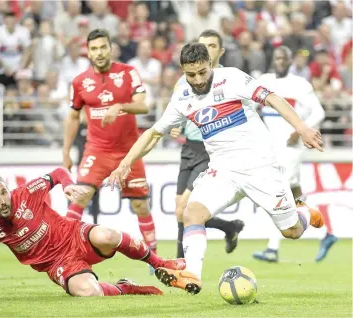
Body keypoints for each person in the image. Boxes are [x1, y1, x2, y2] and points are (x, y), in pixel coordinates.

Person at [107, 43, 325, 295]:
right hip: (223, 171)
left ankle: (306, 213)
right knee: (192, 214)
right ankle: (193, 276)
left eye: (202, 72)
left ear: (210, 65)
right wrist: (125, 164)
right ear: (183, 71)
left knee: (292, 231)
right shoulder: (182, 98)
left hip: (260, 166)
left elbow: (272, 98)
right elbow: (154, 133)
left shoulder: (231, 78)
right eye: (191, 74)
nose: (198, 80)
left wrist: (302, 128)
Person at [0, 168, 185, 297]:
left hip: (73, 234)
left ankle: (160, 262)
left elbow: (58, 173)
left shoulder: (26, 193)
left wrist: (67, 185)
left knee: (108, 236)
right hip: (57, 263)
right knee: (88, 292)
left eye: (3, 192)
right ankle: (127, 287)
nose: (2, 200)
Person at [62, 29, 158, 267]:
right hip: (96, 151)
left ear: (111, 48)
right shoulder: (80, 82)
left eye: (103, 47)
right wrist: (65, 151)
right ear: (89, 52)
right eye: (94, 48)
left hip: (129, 152)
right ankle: (65, 253)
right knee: (79, 198)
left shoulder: (128, 73)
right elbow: (73, 117)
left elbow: (143, 106)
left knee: (141, 205)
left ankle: (154, 259)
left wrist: (119, 107)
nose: (99, 52)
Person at [252, 46, 336, 263]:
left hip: (292, 145)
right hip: (272, 146)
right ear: (273, 60)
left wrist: (301, 130)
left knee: (280, 189)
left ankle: (272, 248)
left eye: (284, 58)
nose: (280, 61)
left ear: (290, 61)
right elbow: (250, 106)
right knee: (296, 194)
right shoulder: (265, 80)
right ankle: (326, 233)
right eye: (277, 57)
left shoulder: (300, 84)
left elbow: (319, 112)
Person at [171, 30, 245, 258]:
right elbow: (178, 110)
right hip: (189, 148)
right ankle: (229, 227)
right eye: (203, 46)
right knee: (179, 211)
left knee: (185, 207)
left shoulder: (229, 79)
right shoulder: (184, 81)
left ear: (220, 51)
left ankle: (179, 262)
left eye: (212, 46)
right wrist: (178, 126)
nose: (206, 50)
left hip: (212, 149)